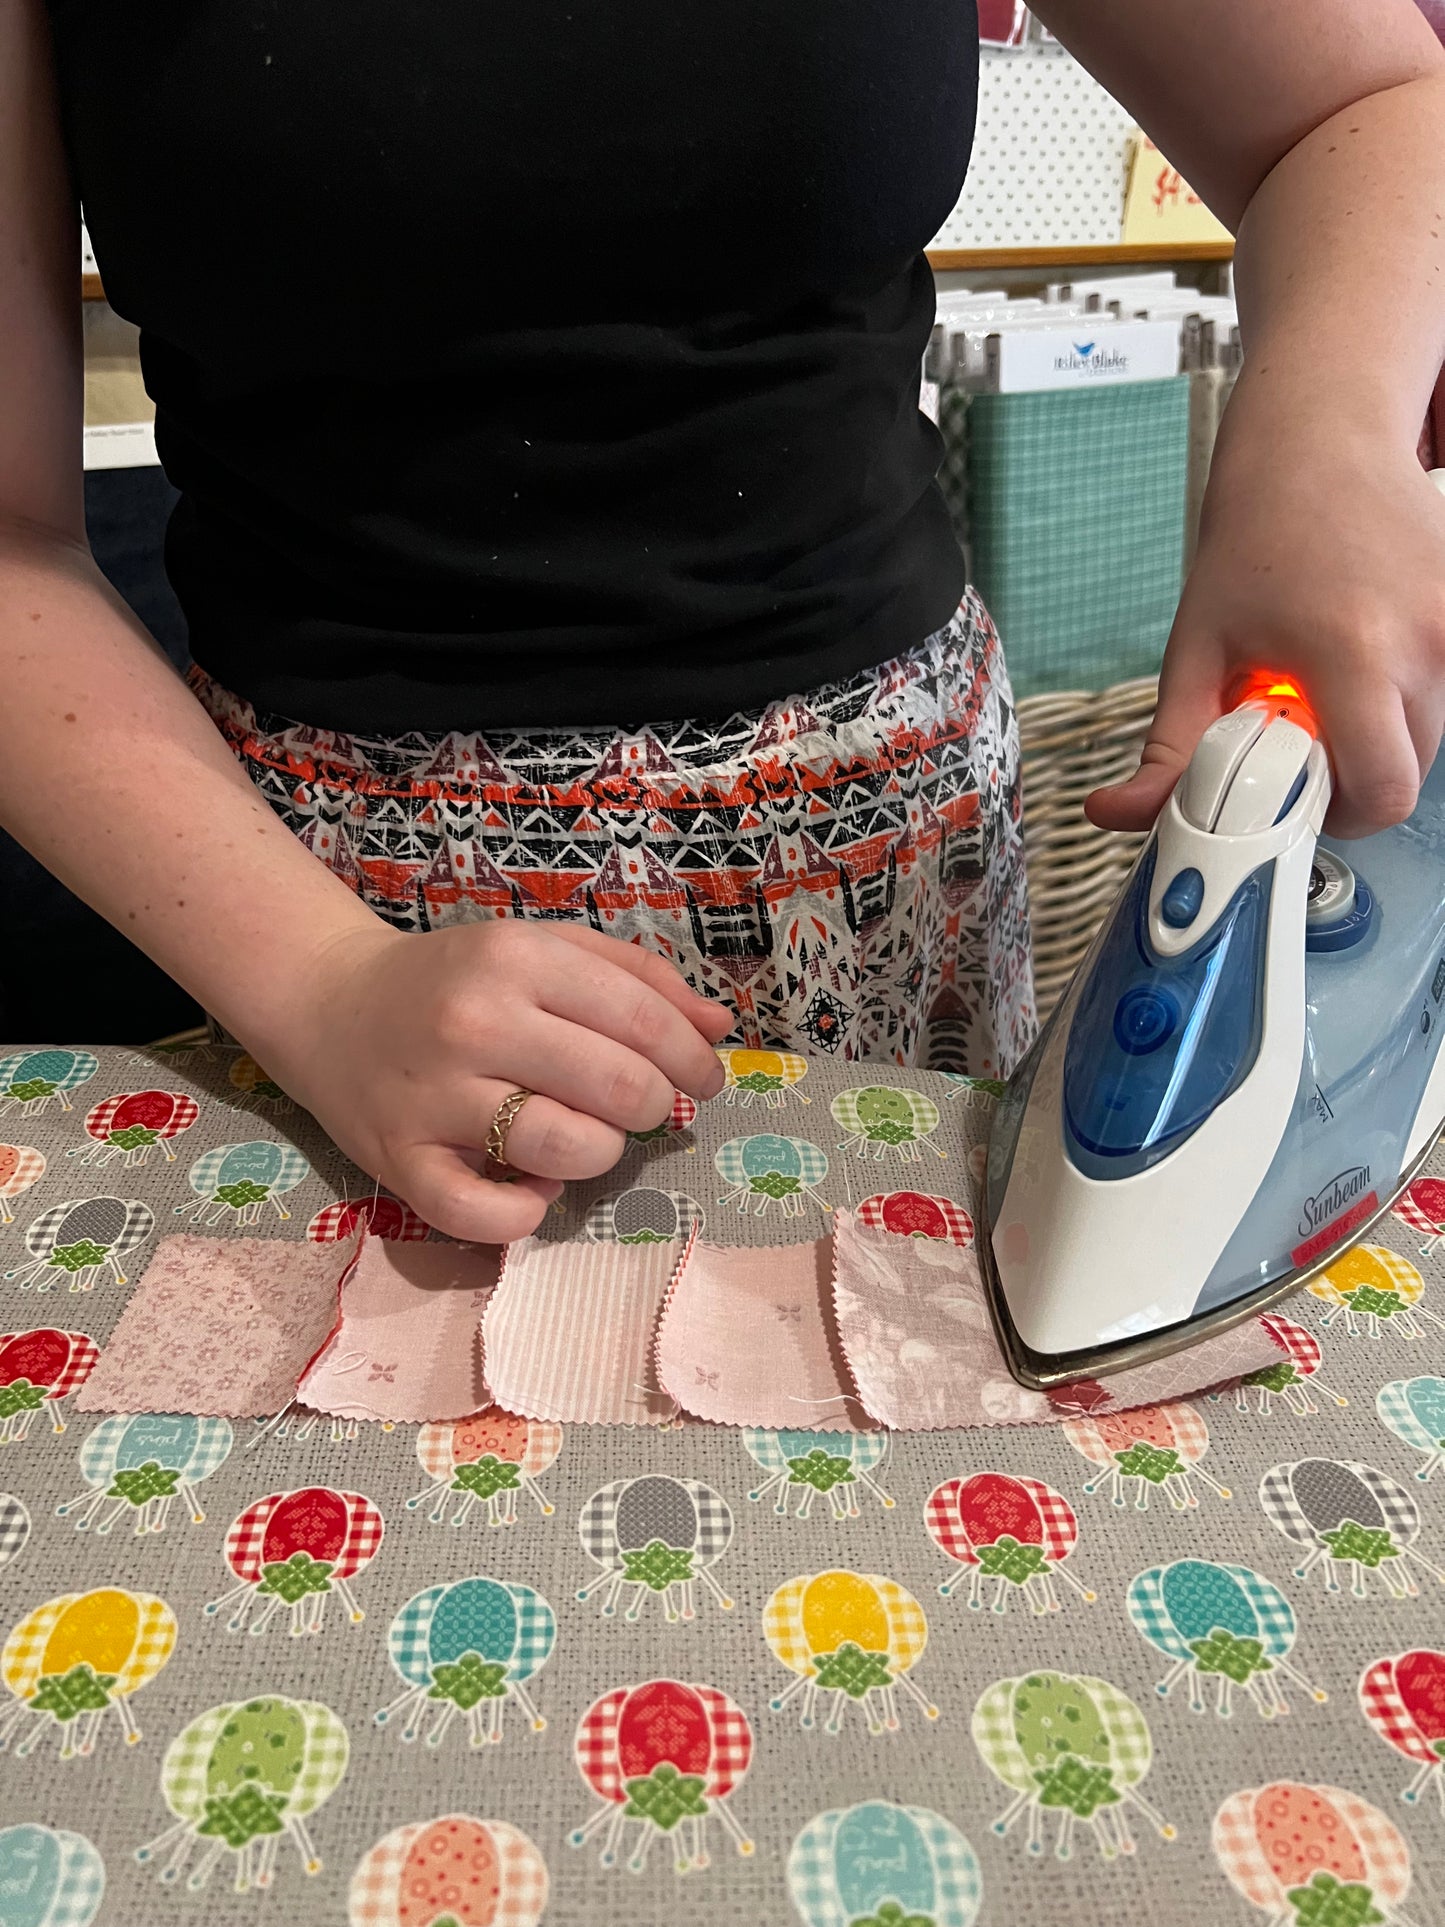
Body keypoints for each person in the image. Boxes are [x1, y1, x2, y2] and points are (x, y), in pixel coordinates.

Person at [3, 0, 1443, 1244]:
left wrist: (1323, 439)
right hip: (302, 910)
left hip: (895, 890)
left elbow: (1362, 100)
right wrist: (316, 980)